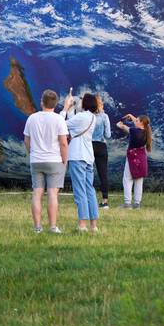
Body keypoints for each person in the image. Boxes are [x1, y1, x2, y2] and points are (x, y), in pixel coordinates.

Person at [24, 89, 69, 233]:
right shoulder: (59, 119)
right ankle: (53, 226)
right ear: (55, 104)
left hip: (36, 160)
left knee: (37, 193)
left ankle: (37, 227)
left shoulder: (32, 118)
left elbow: (27, 140)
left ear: (41, 102)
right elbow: (63, 142)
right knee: (52, 194)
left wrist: (32, 152)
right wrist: (65, 160)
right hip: (54, 160)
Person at [66, 92, 100, 232]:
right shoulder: (92, 117)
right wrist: (70, 109)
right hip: (88, 157)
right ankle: (93, 225)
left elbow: (63, 124)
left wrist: (66, 107)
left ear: (85, 104)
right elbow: (74, 121)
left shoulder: (81, 117)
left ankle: (82, 224)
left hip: (77, 156)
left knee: (80, 191)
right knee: (89, 190)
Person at [116, 113, 151, 209]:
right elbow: (143, 123)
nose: (135, 121)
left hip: (132, 157)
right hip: (142, 157)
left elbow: (119, 125)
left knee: (127, 179)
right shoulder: (147, 132)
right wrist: (132, 116)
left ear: (141, 123)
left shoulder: (133, 131)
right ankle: (137, 204)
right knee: (139, 180)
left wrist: (123, 119)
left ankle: (127, 203)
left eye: (136, 120)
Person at [92, 95, 113, 209]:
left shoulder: (88, 116)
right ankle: (105, 202)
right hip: (101, 146)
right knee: (103, 174)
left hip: (89, 145)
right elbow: (108, 135)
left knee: (88, 173)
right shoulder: (105, 116)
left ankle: (88, 199)